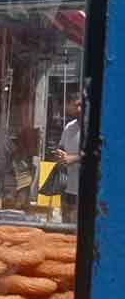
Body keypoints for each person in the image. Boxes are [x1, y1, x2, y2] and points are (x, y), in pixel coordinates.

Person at [55, 95, 82, 223]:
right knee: (66, 223)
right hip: (68, 185)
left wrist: (74, 158)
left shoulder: (97, 127)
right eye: (76, 105)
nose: (79, 109)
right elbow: (61, 146)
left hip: (87, 187)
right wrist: (59, 153)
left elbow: (101, 154)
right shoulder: (69, 126)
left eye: (81, 105)